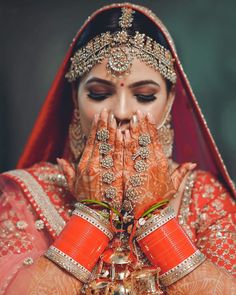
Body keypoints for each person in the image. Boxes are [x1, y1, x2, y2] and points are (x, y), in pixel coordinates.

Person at [0, 3, 235, 294]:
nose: (121, 111)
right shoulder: (28, 193)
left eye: (145, 95)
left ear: (170, 100)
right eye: (99, 94)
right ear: (75, 97)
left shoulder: (204, 197)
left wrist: (154, 216)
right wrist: (93, 213)